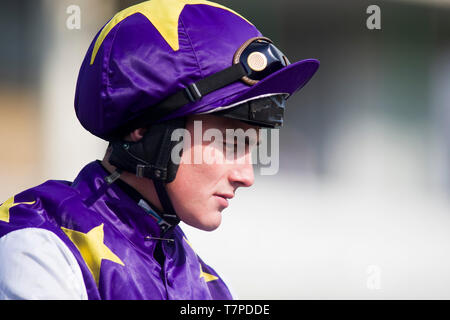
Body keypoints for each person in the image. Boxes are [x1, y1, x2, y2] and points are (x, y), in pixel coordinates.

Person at [0, 0, 319, 300]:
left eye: (252, 148)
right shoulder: (37, 247)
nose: (246, 176)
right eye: (231, 143)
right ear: (143, 127)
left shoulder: (210, 286)